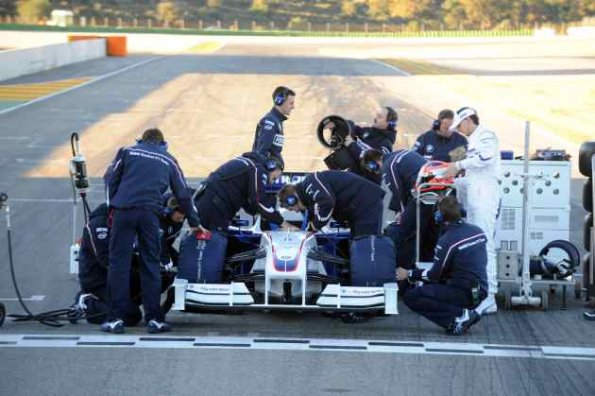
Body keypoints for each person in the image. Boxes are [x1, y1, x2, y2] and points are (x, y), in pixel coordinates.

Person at [103, 128, 201, 334]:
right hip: (149, 214)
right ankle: (154, 319)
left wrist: (112, 205)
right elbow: (183, 194)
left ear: (142, 140)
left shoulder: (127, 152)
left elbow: (110, 178)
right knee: (151, 265)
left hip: (124, 211)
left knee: (118, 264)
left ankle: (114, 319)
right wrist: (194, 222)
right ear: (162, 143)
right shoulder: (168, 159)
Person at [397, 196, 487, 335]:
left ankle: (459, 316)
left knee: (411, 296)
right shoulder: (478, 231)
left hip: (465, 293)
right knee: (435, 284)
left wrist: (409, 273)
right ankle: (462, 314)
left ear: (439, 216)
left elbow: (434, 275)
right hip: (480, 291)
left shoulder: (447, 241)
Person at [444, 107, 501, 315]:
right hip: (477, 195)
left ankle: (490, 295)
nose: (458, 130)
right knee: (476, 246)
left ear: (468, 120)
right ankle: (481, 292)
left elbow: (485, 159)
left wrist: (458, 165)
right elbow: (471, 174)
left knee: (485, 244)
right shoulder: (472, 141)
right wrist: (451, 178)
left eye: (459, 125)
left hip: (485, 195)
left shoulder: (486, 135)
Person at [361, 148, 440, 270]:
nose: (376, 173)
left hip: (423, 194)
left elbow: (397, 190)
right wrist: (401, 210)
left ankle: (403, 273)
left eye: (374, 169)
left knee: (404, 231)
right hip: (437, 193)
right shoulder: (402, 153)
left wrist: (402, 212)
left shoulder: (389, 165)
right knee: (428, 235)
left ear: (375, 162)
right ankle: (426, 271)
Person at [194, 152, 295, 232]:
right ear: (272, 166)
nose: (272, 181)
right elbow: (260, 201)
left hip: (207, 201)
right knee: (214, 243)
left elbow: (246, 200)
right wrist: (284, 223)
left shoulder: (249, 164)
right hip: (214, 206)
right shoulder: (258, 169)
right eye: (274, 178)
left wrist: (256, 212)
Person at [277, 170, 385, 237]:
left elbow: (327, 202)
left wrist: (314, 226)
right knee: (358, 245)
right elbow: (313, 215)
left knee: (366, 245)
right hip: (359, 208)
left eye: (292, 208)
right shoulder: (308, 196)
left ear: (293, 199)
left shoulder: (311, 182)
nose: (296, 211)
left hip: (367, 203)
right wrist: (308, 230)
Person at [327, 107, 398, 183]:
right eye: (376, 115)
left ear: (388, 123)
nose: (375, 118)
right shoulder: (368, 132)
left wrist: (352, 145)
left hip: (364, 184)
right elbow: (352, 128)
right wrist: (337, 124)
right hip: (350, 177)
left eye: (379, 117)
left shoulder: (385, 144)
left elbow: (375, 166)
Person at [252, 86, 296, 168]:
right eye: (291, 103)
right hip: (265, 173)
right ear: (279, 101)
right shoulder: (270, 121)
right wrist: (272, 169)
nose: (293, 107)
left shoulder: (276, 121)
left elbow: (273, 151)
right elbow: (261, 152)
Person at [159, 193, 186, 269]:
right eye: (178, 219)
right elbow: (160, 241)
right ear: (170, 213)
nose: (181, 220)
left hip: (167, 244)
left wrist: (196, 224)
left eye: (182, 218)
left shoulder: (185, 208)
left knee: (179, 263)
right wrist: (165, 260)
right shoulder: (158, 217)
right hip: (151, 245)